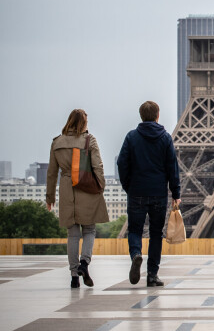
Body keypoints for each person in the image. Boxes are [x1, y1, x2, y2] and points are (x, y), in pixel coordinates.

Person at [117, 101, 181, 287]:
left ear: (141, 115)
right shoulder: (165, 138)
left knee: (135, 230)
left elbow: (122, 163)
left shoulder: (132, 137)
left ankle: (136, 254)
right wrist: (175, 192)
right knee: (155, 234)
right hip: (158, 193)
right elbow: (172, 168)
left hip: (136, 191)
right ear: (157, 115)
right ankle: (152, 274)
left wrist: (128, 185)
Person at [46, 109, 109, 288]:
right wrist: (101, 186)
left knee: (72, 234)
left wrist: (50, 197)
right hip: (86, 187)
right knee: (89, 230)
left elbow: (51, 173)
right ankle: (84, 263)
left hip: (66, 188)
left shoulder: (57, 142)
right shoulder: (89, 140)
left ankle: (74, 276)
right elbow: (98, 166)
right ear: (83, 123)